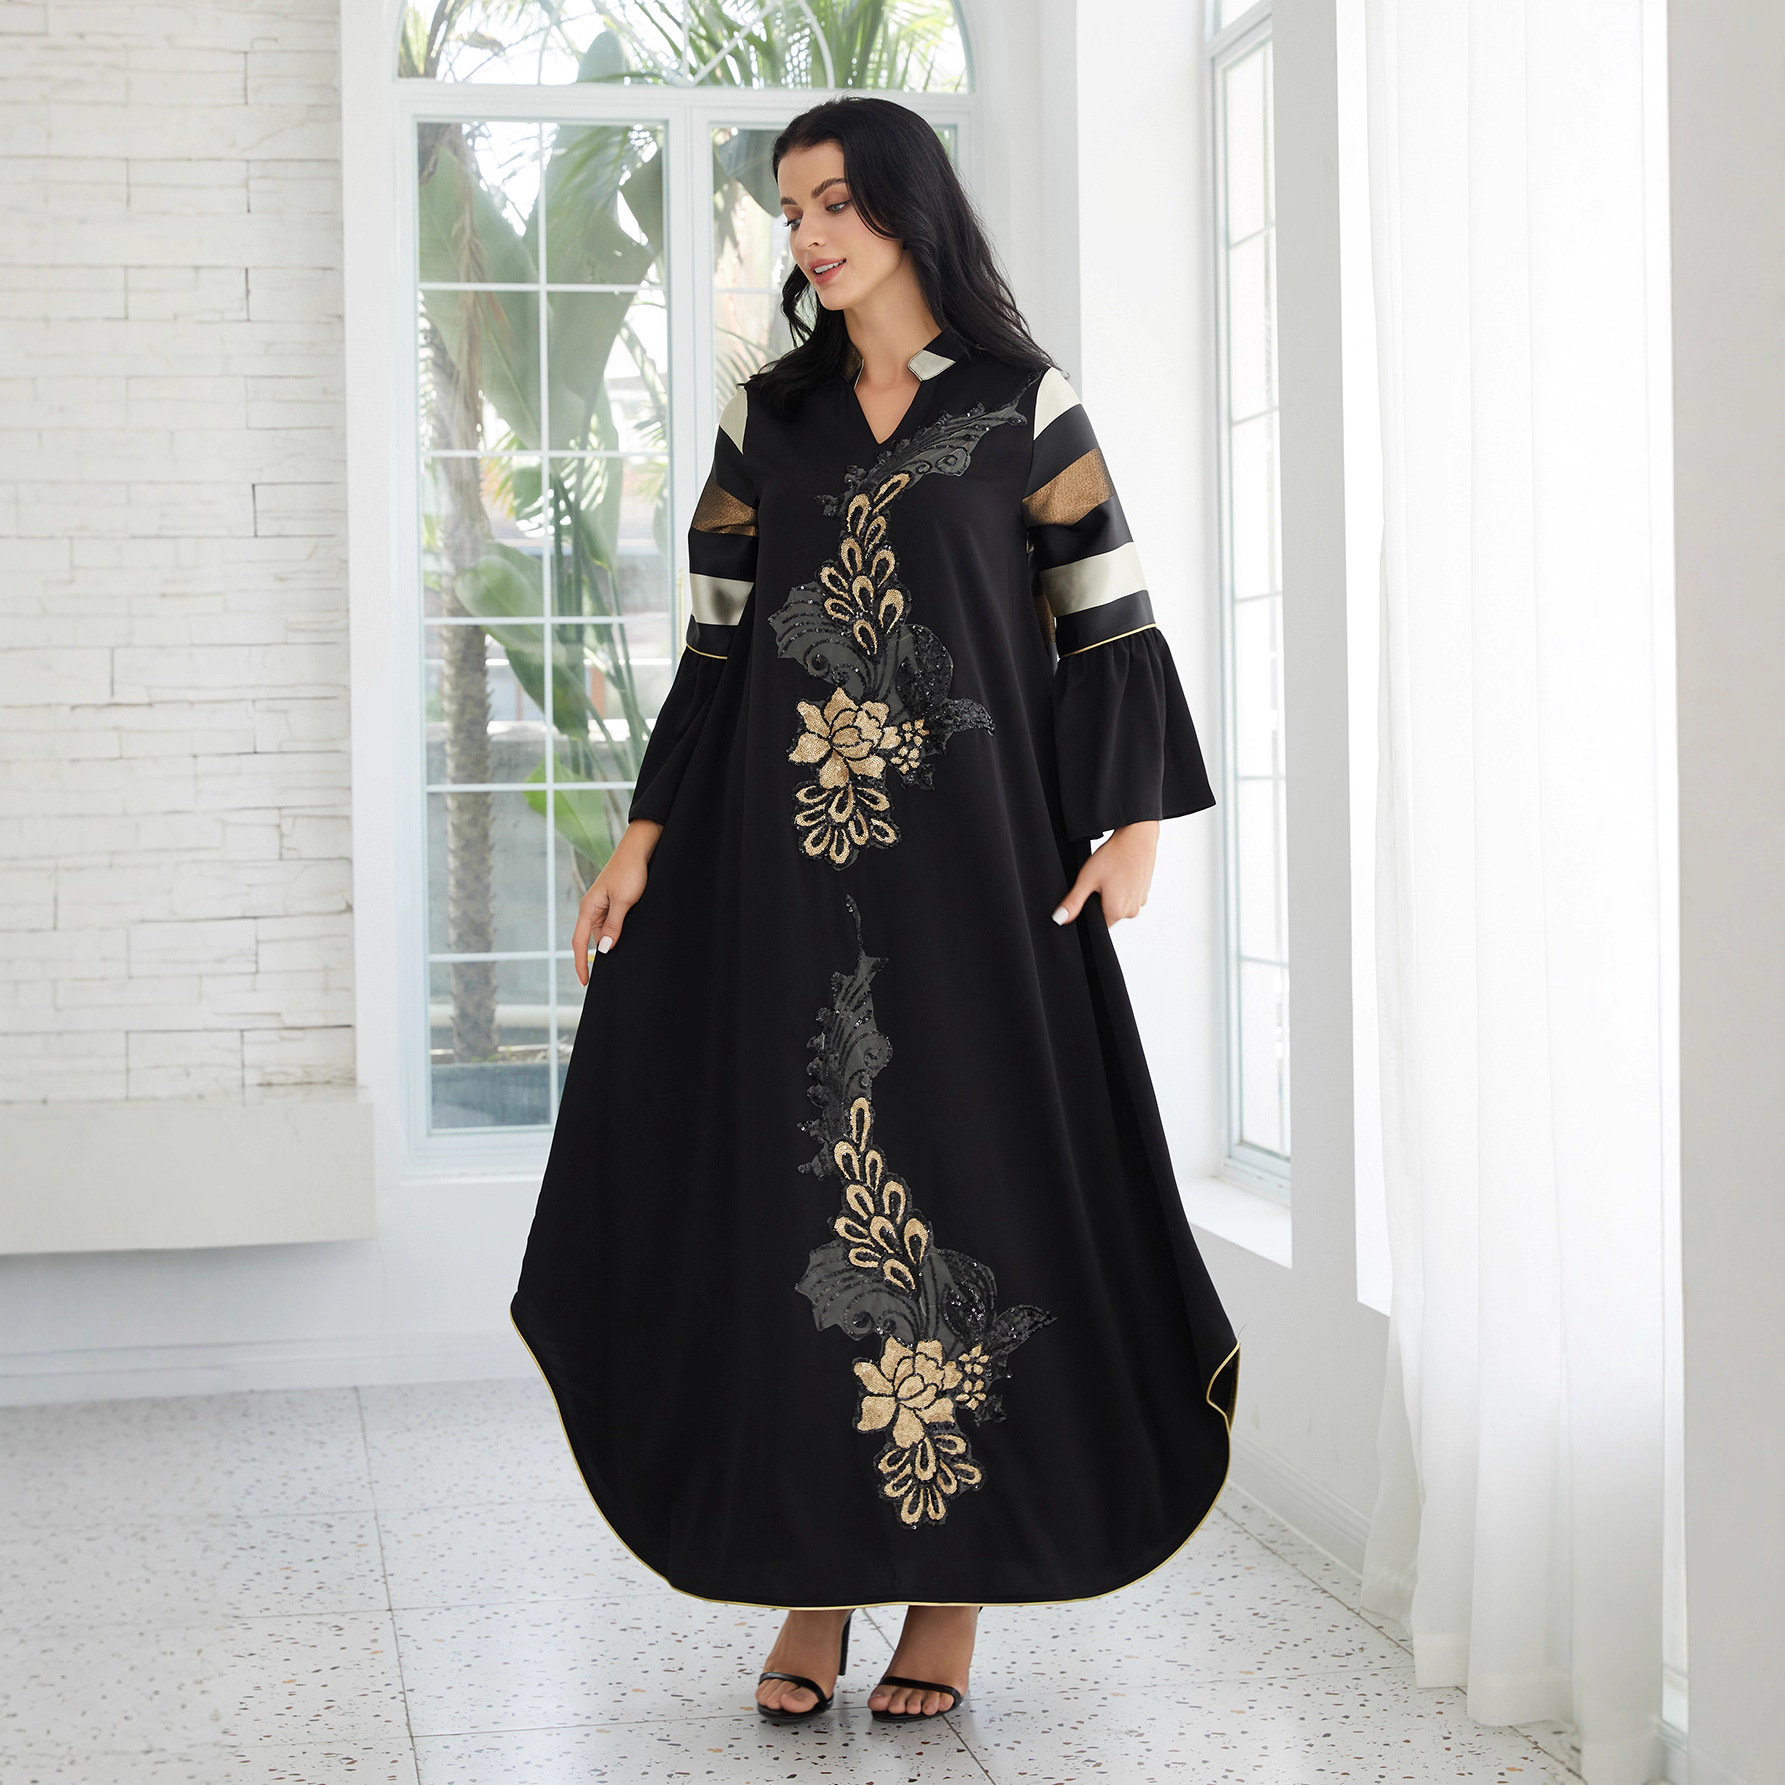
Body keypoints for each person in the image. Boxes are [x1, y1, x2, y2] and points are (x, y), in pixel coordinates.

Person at [511, 94, 1238, 1726]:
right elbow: (716, 646)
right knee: (803, 1197)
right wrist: (643, 836)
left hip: (981, 876)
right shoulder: (767, 419)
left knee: (972, 1186)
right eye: (790, 211)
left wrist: (1132, 827)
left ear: (907, 205)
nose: (810, 235)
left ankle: (950, 1594)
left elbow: (1105, 615)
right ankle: (810, 1580)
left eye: (835, 201)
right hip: (786, 878)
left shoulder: (1022, 404)